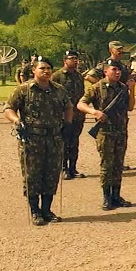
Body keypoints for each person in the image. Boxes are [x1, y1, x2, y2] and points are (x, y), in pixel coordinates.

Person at [3, 56, 74, 225]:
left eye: (49, 68)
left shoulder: (59, 90)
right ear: (34, 70)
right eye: (42, 68)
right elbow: (9, 108)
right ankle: (35, 211)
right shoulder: (24, 90)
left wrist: (68, 123)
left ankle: (47, 210)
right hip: (32, 140)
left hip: (54, 139)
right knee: (32, 176)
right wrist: (16, 121)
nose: (46, 71)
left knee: (51, 175)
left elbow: (68, 106)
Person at [78, 59, 135, 210]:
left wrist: (132, 90)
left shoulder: (123, 88)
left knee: (118, 165)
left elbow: (130, 107)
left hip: (121, 132)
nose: (117, 72)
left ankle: (116, 196)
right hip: (105, 133)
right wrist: (94, 112)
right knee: (106, 165)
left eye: (119, 70)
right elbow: (81, 104)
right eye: (114, 69)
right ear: (105, 72)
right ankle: (107, 197)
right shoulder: (97, 87)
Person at [50, 50, 88, 179]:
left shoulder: (79, 76)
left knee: (74, 142)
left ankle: (73, 168)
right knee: (63, 143)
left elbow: (82, 94)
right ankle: (63, 169)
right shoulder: (57, 76)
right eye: (71, 58)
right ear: (65, 61)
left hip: (78, 115)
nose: (75, 61)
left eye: (76, 58)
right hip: (63, 116)